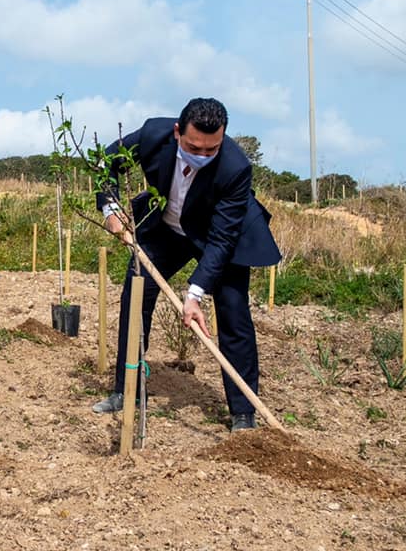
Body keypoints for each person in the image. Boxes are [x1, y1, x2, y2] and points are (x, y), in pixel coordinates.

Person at [91, 97, 280, 432]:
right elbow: (106, 161)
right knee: (135, 296)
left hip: (217, 237)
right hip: (167, 228)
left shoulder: (236, 167)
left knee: (234, 312)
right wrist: (110, 209)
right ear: (178, 132)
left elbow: (221, 241)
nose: (203, 156)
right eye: (194, 147)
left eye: (212, 150)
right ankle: (128, 389)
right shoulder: (153, 135)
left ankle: (243, 412)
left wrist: (194, 295)